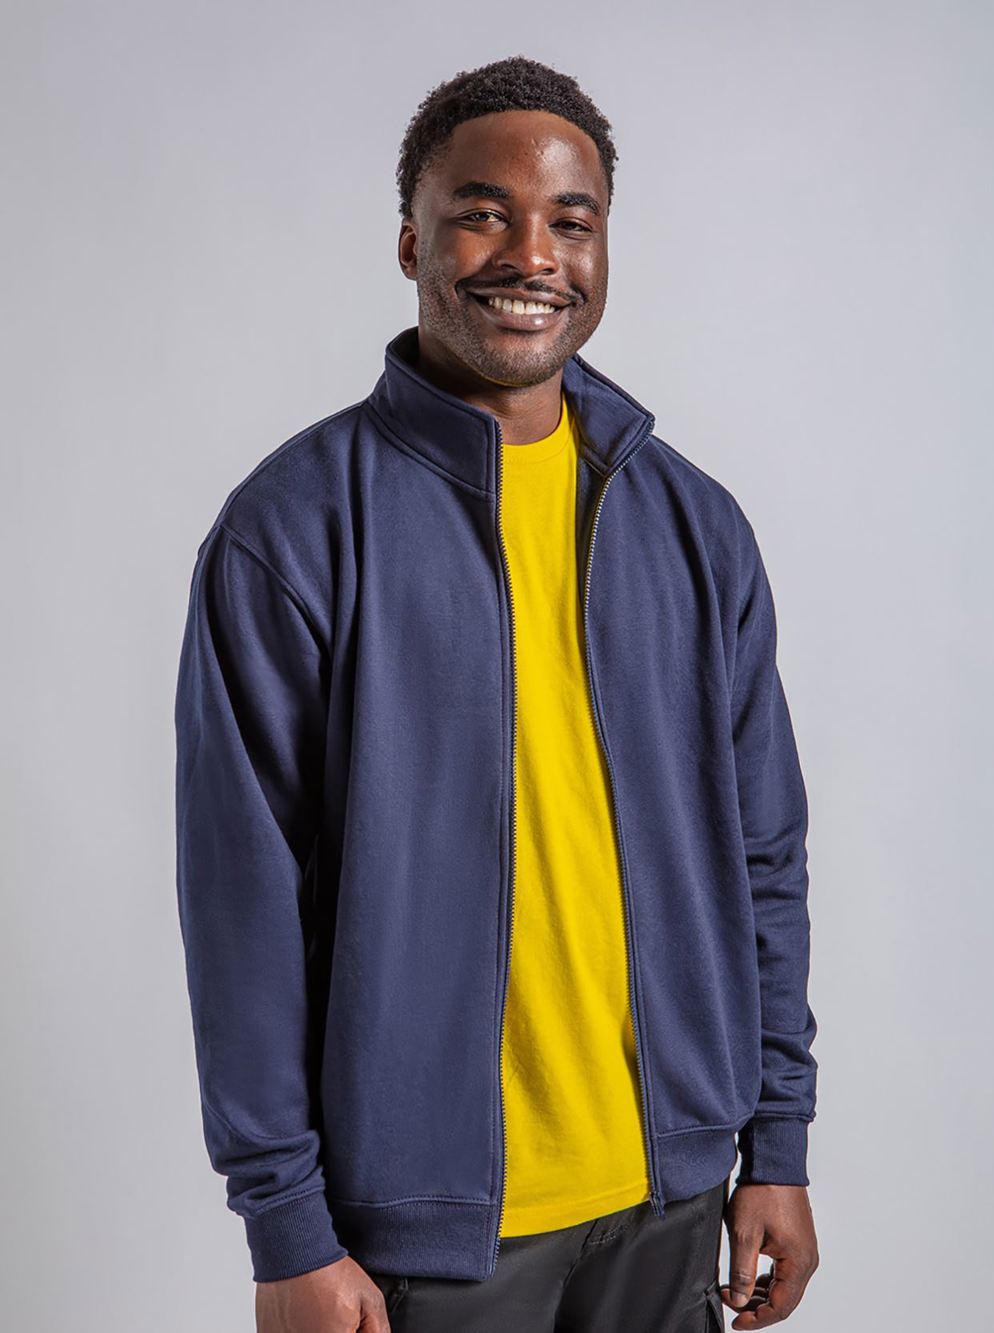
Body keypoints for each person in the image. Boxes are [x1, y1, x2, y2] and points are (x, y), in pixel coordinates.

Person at [174, 54, 820, 1333]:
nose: (531, 254)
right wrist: (285, 1227)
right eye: (482, 212)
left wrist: (778, 1140)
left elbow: (762, 856)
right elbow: (241, 906)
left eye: (570, 221)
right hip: (430, 1225)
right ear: (410, 240)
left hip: (671, 1189)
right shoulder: (293, 530)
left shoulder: (693, 525)